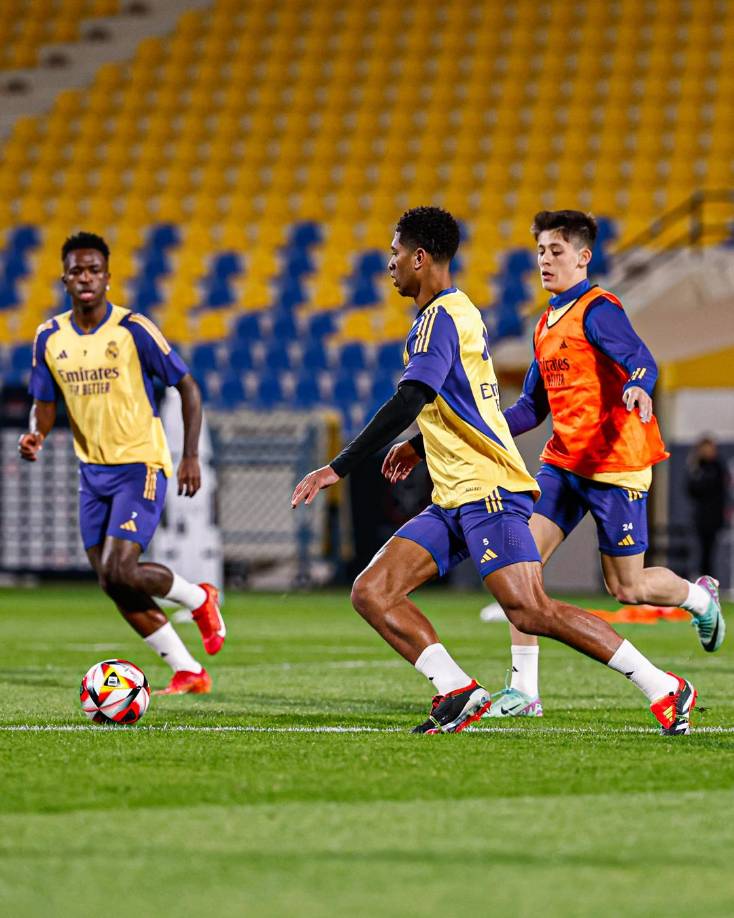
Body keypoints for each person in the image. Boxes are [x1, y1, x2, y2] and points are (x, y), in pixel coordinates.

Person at [291, 206, 696, 736]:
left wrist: (337, 467)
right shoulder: (458, 315)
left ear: (419, 257)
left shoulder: (442, 319)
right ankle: (458, 690)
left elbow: (411, 397)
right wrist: (420, 445)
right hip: (454, 496)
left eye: (395, 253)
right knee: (372, 590)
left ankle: (663, 686)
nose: (389, 264)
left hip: (490, 492)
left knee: (531, 610)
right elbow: (474, 410)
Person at [478, 210, 725, 718]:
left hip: (616, 466)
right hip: (564, 464)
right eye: (541, 251)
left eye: (557, 250)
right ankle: (524, 691)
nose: (546, 260)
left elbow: (641, 359)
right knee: (518, 567)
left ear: (583, 257)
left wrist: (638, 384)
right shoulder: (544, 324)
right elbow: (531, 408)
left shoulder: (599, 310)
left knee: (627, 587)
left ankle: (699, 598)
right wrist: (482, 426)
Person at [19, 231, 226, 695]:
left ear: (107, 277)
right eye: (76, 271)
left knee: (121, 568)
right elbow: (44, 402)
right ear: (64, 278)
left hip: (140, 464)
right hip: (91, 473)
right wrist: (37, 433)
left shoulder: (132, 328)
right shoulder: (50, 337)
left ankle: (198, 597)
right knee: (112, 582)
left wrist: (190, 455)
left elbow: (187, 386)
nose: (85, 278)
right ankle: (188, 670)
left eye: (93, 270)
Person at [686, 436, 729, 577]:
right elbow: (692, 489)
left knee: (711, 551)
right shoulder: (698, 467)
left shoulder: (717, 466)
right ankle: (702, 577)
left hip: (714, 517)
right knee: (701, 551)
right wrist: (694, 468)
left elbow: (711, 487)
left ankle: (710, 579)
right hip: (701, 518)